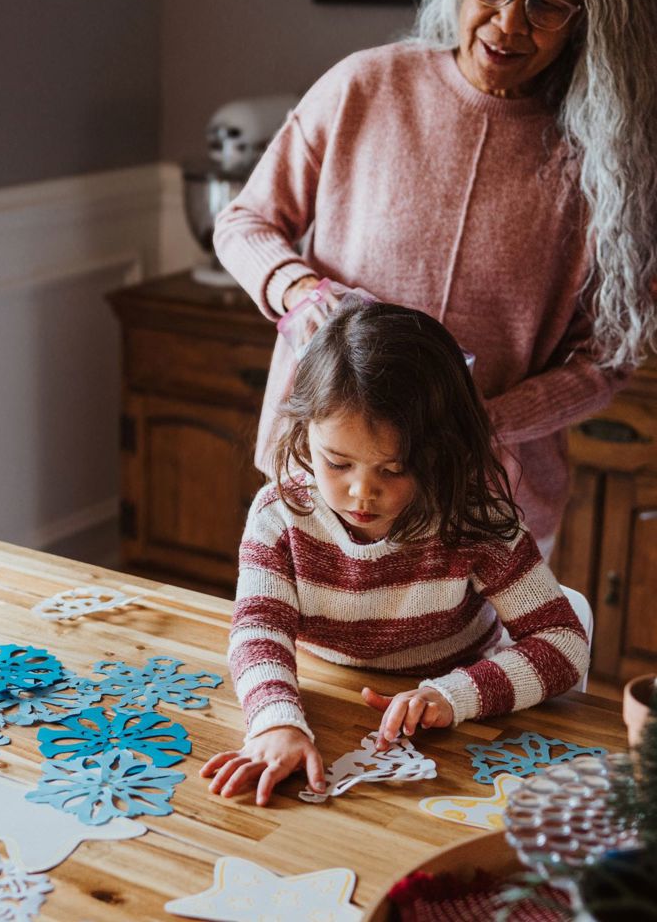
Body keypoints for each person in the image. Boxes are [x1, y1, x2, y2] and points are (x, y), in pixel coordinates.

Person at [213, 0, 657, 555]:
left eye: (545, 4)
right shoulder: (366, 85)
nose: (509, 21)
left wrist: (489, 421)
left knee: (482, 665)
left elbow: (608, 358)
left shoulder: (604, 161)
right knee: (303, 657)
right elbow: (245, 224)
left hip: (485, 501)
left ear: (587, 19)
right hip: (325, 484)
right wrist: (300, 294)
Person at [200, 299, 589, 805]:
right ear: (304, 432)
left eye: (394, 469)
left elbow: (561, 640)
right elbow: (257, 630)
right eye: (337, 463)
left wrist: (452, 695)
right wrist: (275, 722)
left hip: (452, 729)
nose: (362, 493)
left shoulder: (476, 521)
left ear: (445, 450)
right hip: (328, 692)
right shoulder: (280, 513)